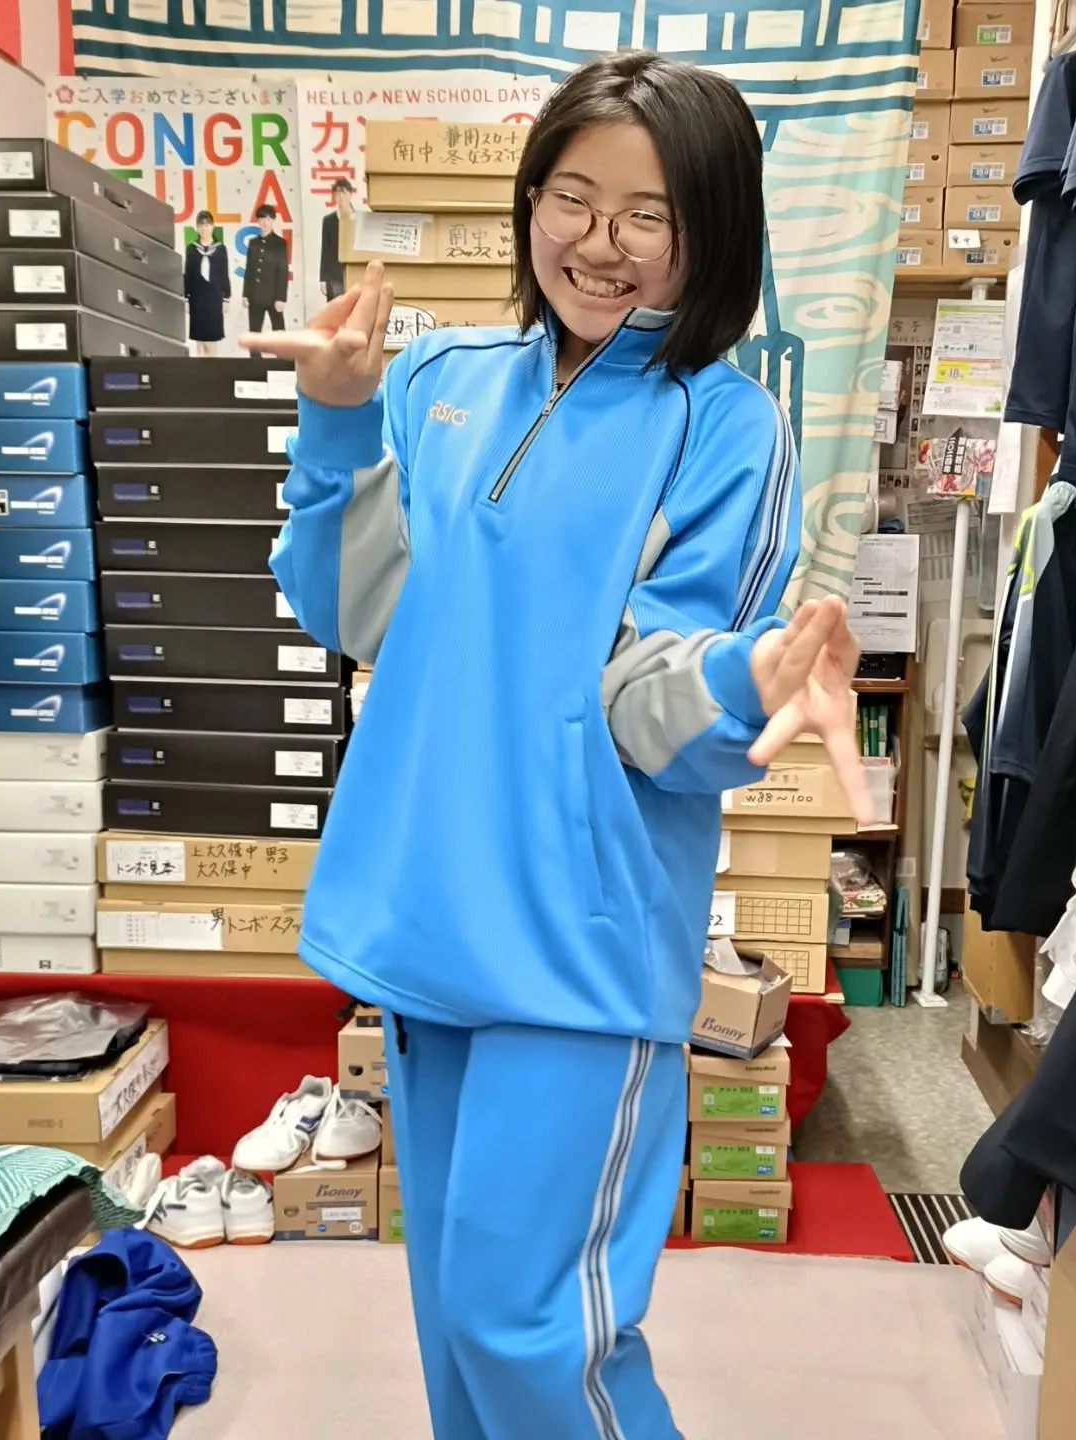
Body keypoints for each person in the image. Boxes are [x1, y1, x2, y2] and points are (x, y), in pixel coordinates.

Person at [245, 50, 871, 1439]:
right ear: (529, 200)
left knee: (533, 1328)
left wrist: (745, 674)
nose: (600, 240)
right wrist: (337, 420)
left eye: (650, 214)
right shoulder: (443, 376)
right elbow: (354, 610)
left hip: (575, 947)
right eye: (572, 197)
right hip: (425, 911)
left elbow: (653, 696)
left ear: (713, 231)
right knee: (455, 1317)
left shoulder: (727, 424)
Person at [183, 209, 231, 357]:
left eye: (207, 225)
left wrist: (226, 298)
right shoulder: (192, 249)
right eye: (201, 226)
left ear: (212, 226)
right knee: (199, 342)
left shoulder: (220, 249)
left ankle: (213, 369)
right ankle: (201, 369)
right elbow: (188, 275)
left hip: (214, 298)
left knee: (211, 341)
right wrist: (186, 299)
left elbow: (224, 274)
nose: (204, 229)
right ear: (197, 228)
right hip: (197, 299)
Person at [243, 204, 289, 332]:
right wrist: (246, 294)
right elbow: (249, 269)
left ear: (273, 220)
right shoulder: (253, 243)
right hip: (255, 295)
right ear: (258, 221)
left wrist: (281, 297)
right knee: (254, 333)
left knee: (279, 333)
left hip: (273, 296)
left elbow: (283, 271)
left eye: (268, 219)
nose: (265, 222)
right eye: (262, 219)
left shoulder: (280, 243)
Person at [320, 177, 354, 300]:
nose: (341, 197)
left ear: (350, 194)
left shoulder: (358, 218)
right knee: (336, 307)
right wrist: (323, 278)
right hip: (334, 274)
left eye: (344, 193)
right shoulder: (329, 220)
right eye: (337, 194)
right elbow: (325, 250)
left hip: (354, 272)